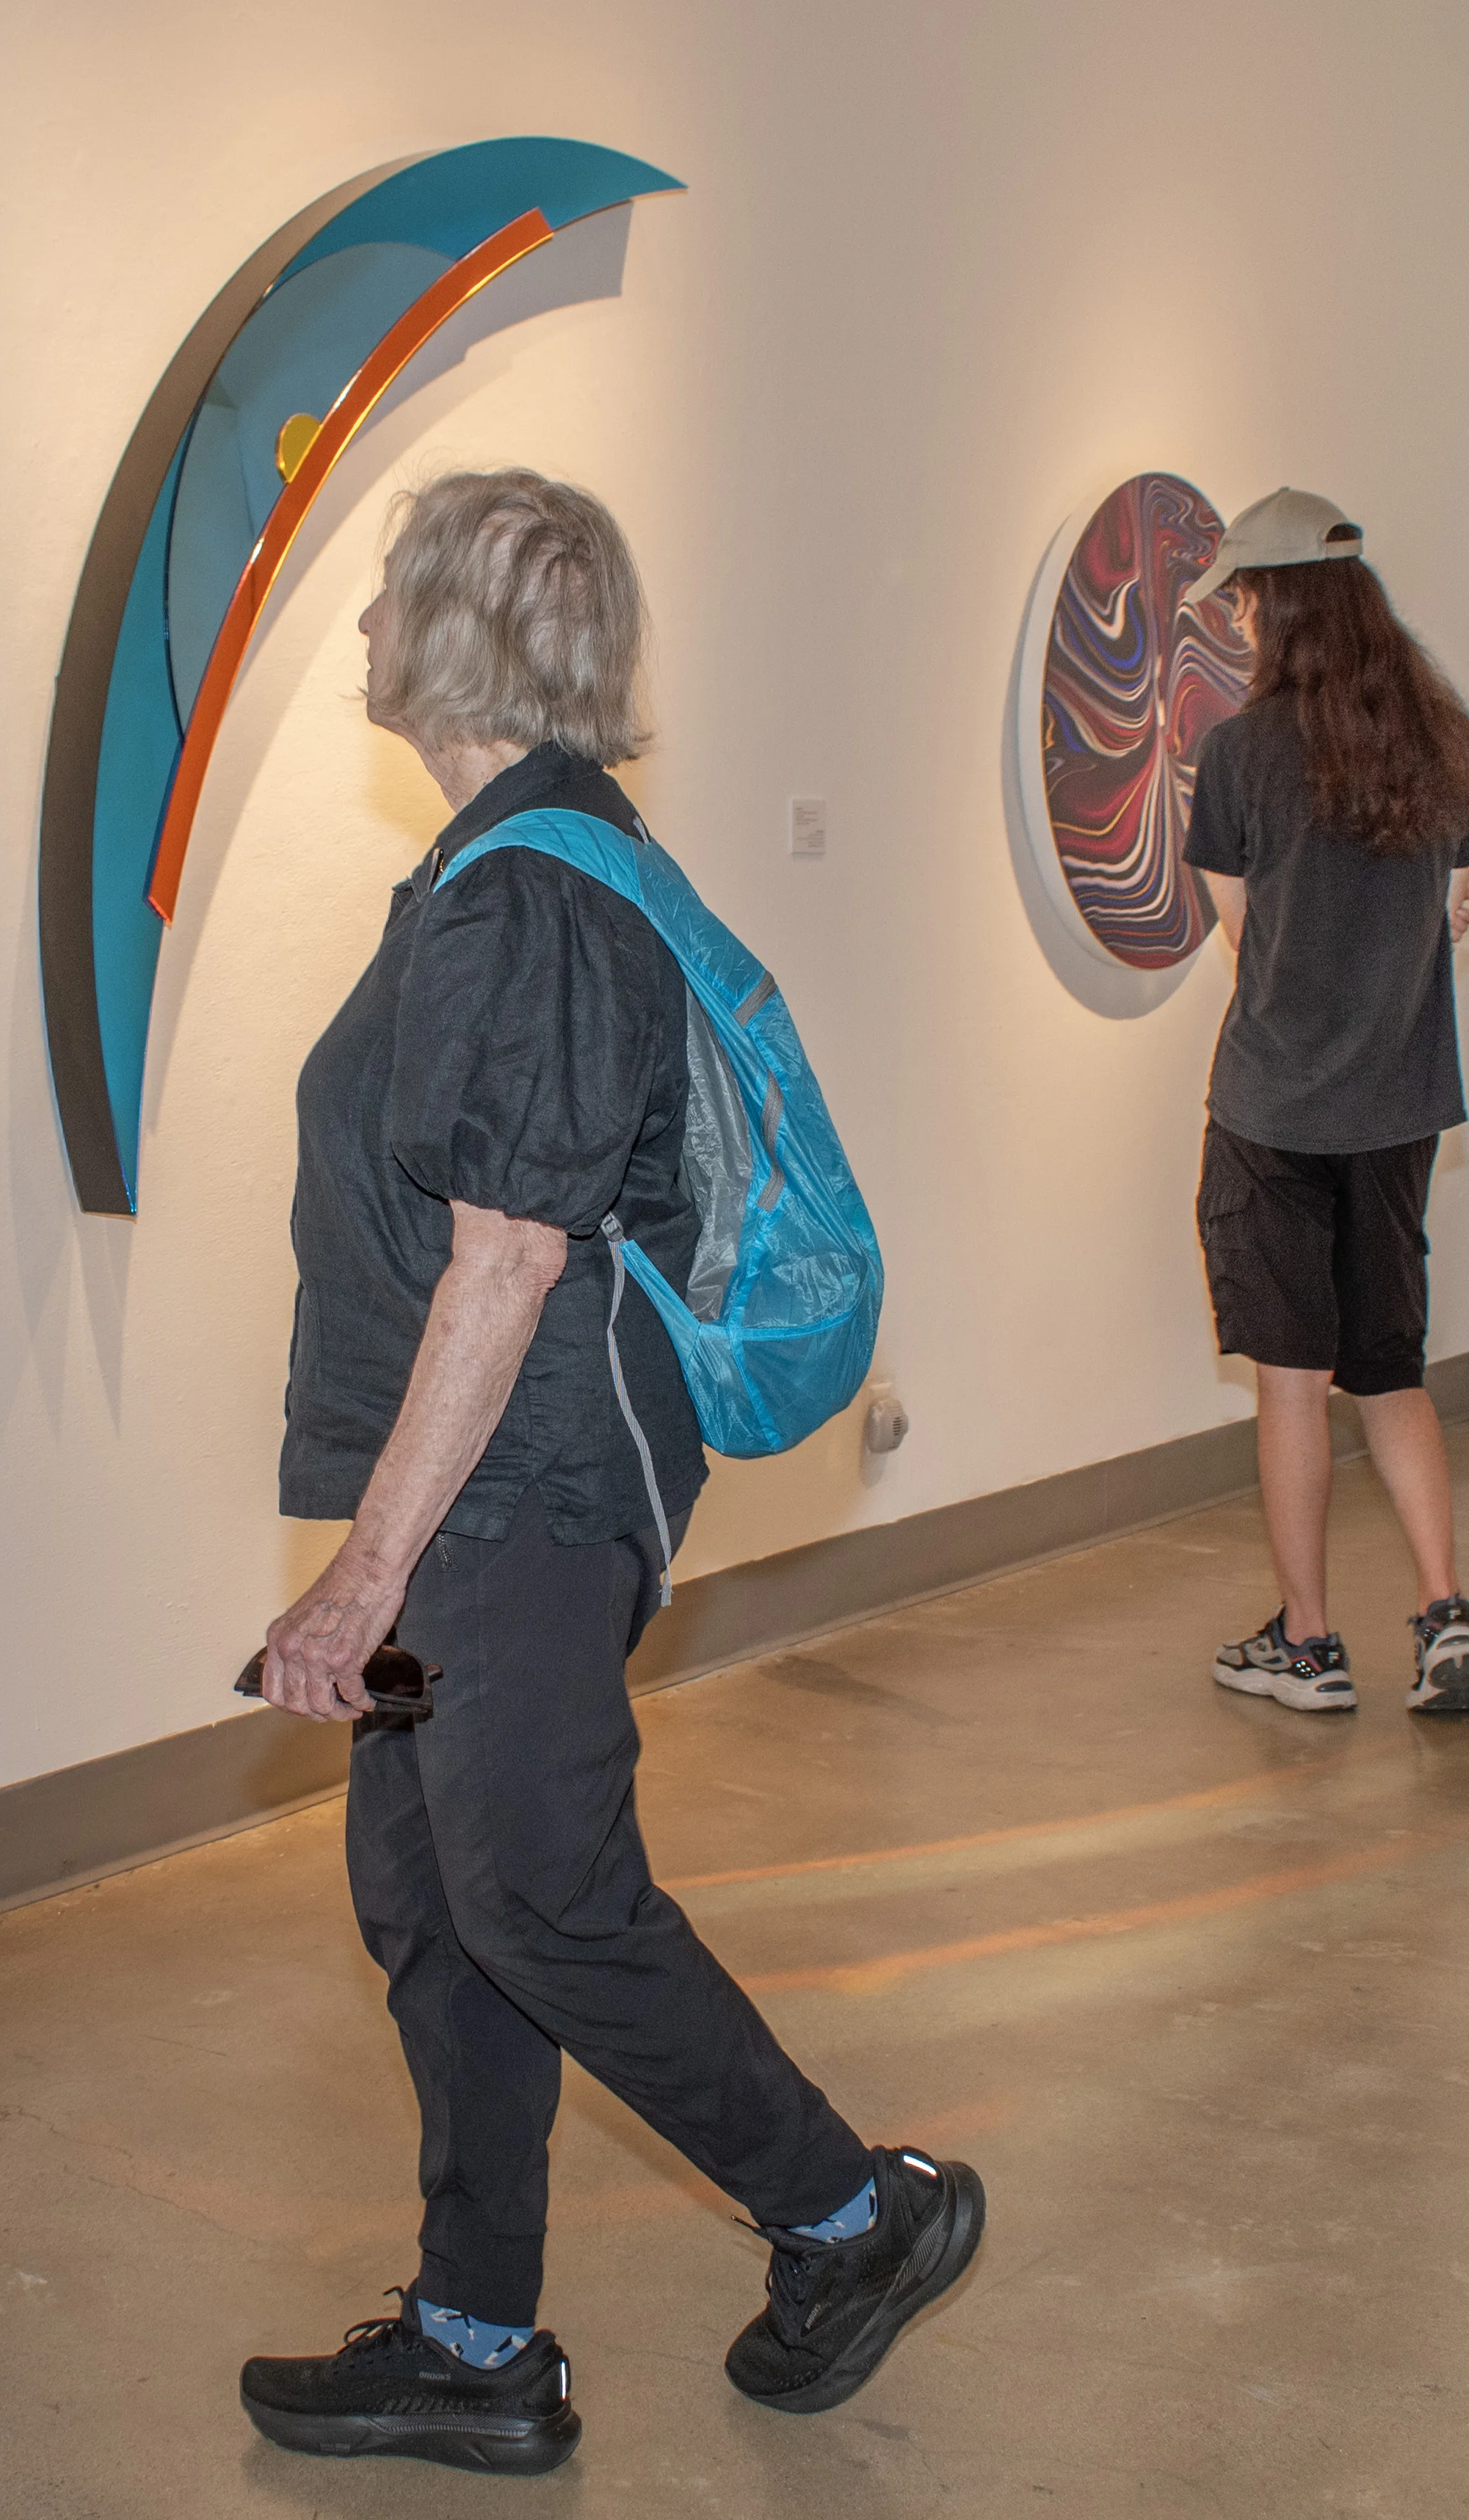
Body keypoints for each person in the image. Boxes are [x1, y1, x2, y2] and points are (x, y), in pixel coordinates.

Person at [235, 470, 983, 2480]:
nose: (366, 634)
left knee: (541, 1892)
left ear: (458, 633)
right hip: (474, 1492)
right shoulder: (516, 868)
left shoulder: (533, 896)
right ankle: (475, 2336)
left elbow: (509, 1257)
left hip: (523, 1498)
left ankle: (851, 2215)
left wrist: (356, 1575)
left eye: (388, 598)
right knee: (429, 1887)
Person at [1181, 490, 1469, 1718]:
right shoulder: (1445, 735)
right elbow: (1459, 898)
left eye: (1245, 601)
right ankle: (1440, 1610)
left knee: (1290, 1380)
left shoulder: (1238, 753)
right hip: (1399, 1102)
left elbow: (1237, 936)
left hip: (1273, 1111)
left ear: (1270, 605)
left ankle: (1307, 1645)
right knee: (1390, 1369)